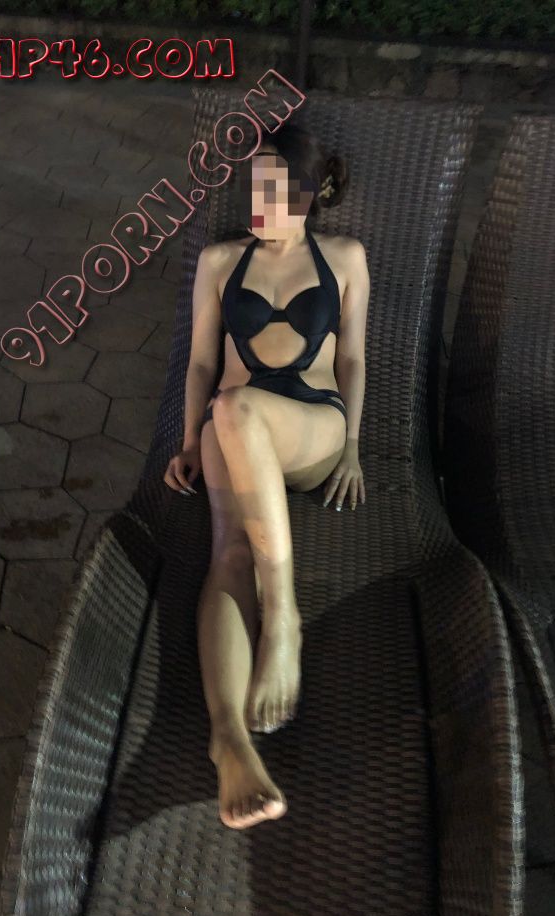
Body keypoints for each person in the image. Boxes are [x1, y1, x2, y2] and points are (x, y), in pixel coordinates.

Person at [163, 120, 370, 830]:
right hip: (232, 423)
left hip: (311, 428)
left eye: (278, 192)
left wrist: (353, 447)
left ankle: (283, 620)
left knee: (238, 407)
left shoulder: (344, 257)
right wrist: (188, 440)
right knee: (226, 553)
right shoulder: (220, 261)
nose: (260, 203)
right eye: (255, 187)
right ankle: (229, 740)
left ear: (312, 196)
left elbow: (352, 360)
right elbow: (200, 361)